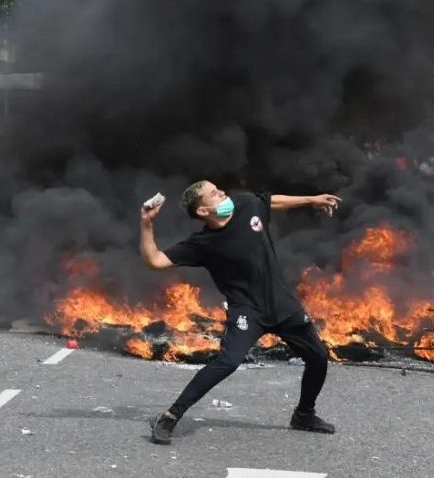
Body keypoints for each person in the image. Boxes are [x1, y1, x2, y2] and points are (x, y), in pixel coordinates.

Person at [140, 180, 342, 444]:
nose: (223, 194)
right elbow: (154, 260)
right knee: (227, 362)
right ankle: (170, 416)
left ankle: (304, 415)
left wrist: (312, 200)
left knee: (318, 358)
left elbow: (270, 200)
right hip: (247, 311)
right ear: (202, 211)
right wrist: (147, 224)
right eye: (214, 194)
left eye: (220, 189)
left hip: (282, 303)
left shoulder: (246, 204)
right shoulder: (203, 243)